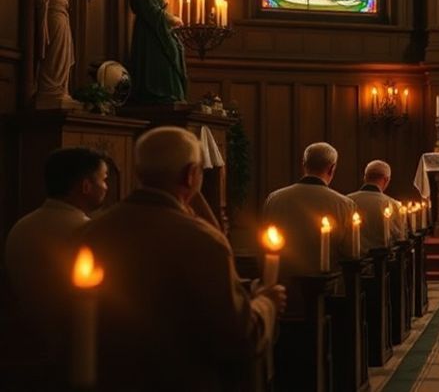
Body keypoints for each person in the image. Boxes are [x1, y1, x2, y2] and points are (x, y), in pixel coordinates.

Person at [82, 127, 285, 390]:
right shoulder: (202, 240)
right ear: (191, 175)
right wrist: (266, 302)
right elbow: (238, 335)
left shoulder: (92, 231)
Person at [5, 148, 109, 351]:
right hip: (74, 343)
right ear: (86, 186)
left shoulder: (21, 226)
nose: (106, 187)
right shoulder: (87, 233)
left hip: (21, 340)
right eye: (104, 179)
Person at [262, 142, 356, 284]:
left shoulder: (275, 199)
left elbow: (264, 242)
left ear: (304, 165)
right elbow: (350, 253)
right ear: (332, 169)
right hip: (327, 287)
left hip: (283, 285)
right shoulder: (344, 204)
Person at [128, 0, 187, 104]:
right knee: (162, 56)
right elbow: (151, 11)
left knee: (176, 49)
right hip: (149, 32)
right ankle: (156, 92)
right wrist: (172, 19)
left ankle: (171, 93)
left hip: (158, 29)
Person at [347, 160, 403, 255]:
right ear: (386, 180)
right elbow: (398, 236)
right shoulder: (392, 204)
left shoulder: (347, 201)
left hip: (352, 259)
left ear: (365, 178)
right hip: (382, 259)